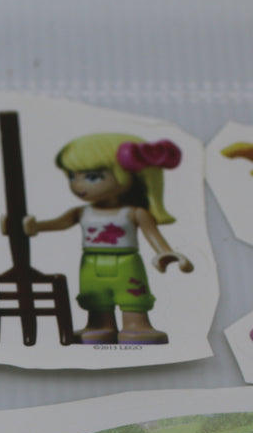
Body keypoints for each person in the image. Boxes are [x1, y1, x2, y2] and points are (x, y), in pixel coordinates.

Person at [22, 133, 192, 345]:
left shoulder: (134, 212)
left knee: (133, 294)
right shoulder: (82, 212)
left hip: (126, 262)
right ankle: (99, 324)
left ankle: (137, 324)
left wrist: (165, 253)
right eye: (72, 176)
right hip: (90, 263)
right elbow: (59, 223)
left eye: (93, 177)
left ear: (128, 175)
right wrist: (35, 227)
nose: (78, 185)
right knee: (95, 296)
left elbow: (153, 235)